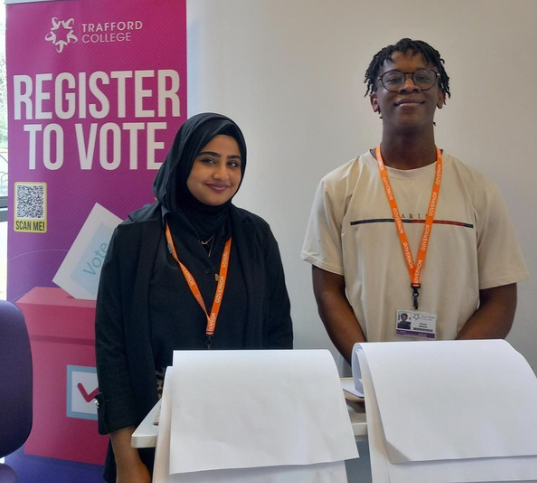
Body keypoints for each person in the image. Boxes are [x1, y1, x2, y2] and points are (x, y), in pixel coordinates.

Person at [301, 38, 529, 365]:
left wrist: (448, 368)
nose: (408, 86)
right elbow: (328, 293)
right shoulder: (337, 187)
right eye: (393, 79)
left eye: (423, 77)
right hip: (369, 384)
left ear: (441, 95)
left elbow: (501, 299)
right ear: (374, 100)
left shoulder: (480, 190)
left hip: (456, 384)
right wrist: (371, 366)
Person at [95, 112, 293, 483]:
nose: (223, 175)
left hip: (241, 429)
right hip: (153, 430)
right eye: (208, 160)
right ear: (184, 160)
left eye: (233, 163)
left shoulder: (255, 236)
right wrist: (127, 459)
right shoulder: (135, 236)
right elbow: (113, 350)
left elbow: (278, 335)